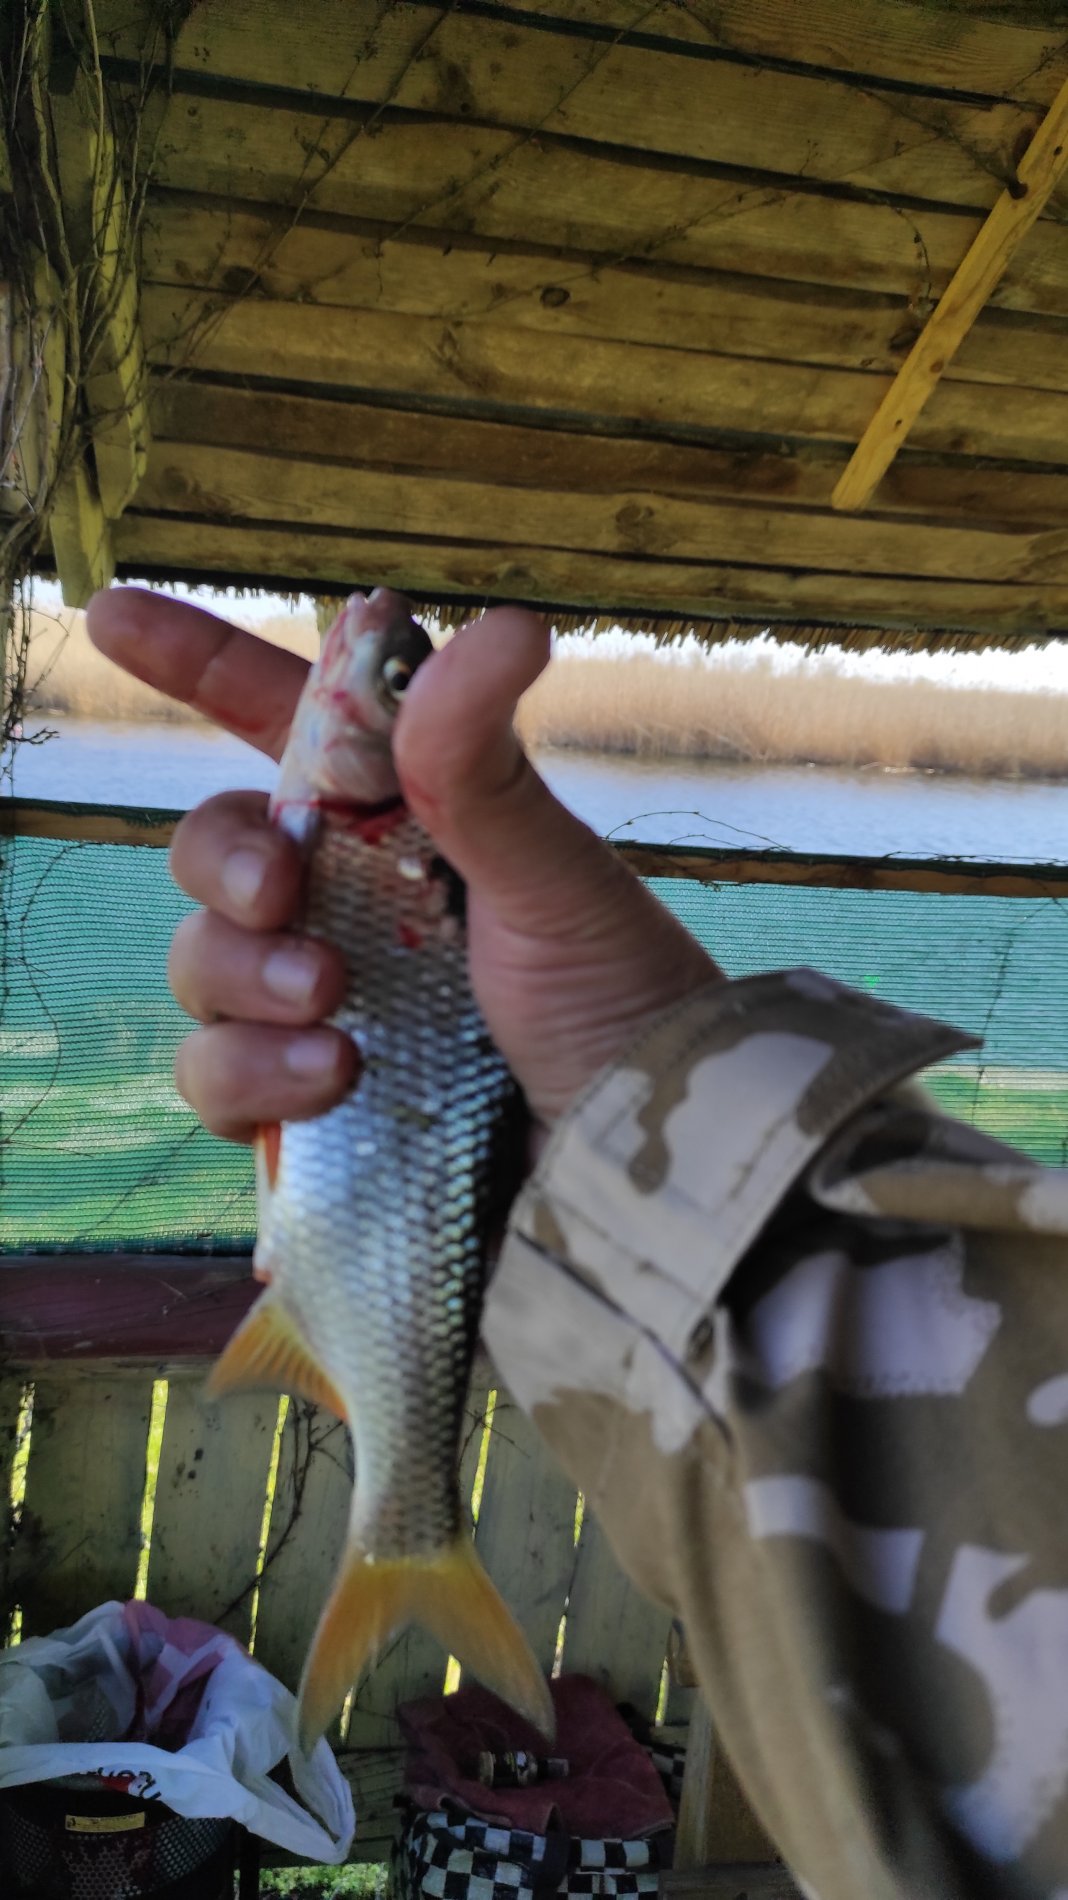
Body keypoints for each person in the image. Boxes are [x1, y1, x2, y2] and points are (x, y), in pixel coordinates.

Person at [88, 586, 1068, 1900]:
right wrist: (631, 1122)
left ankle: (409, 1534)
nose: (365, 639)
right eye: (400, 678)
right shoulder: (387, 837)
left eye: (388, 675)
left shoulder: (366, 827)